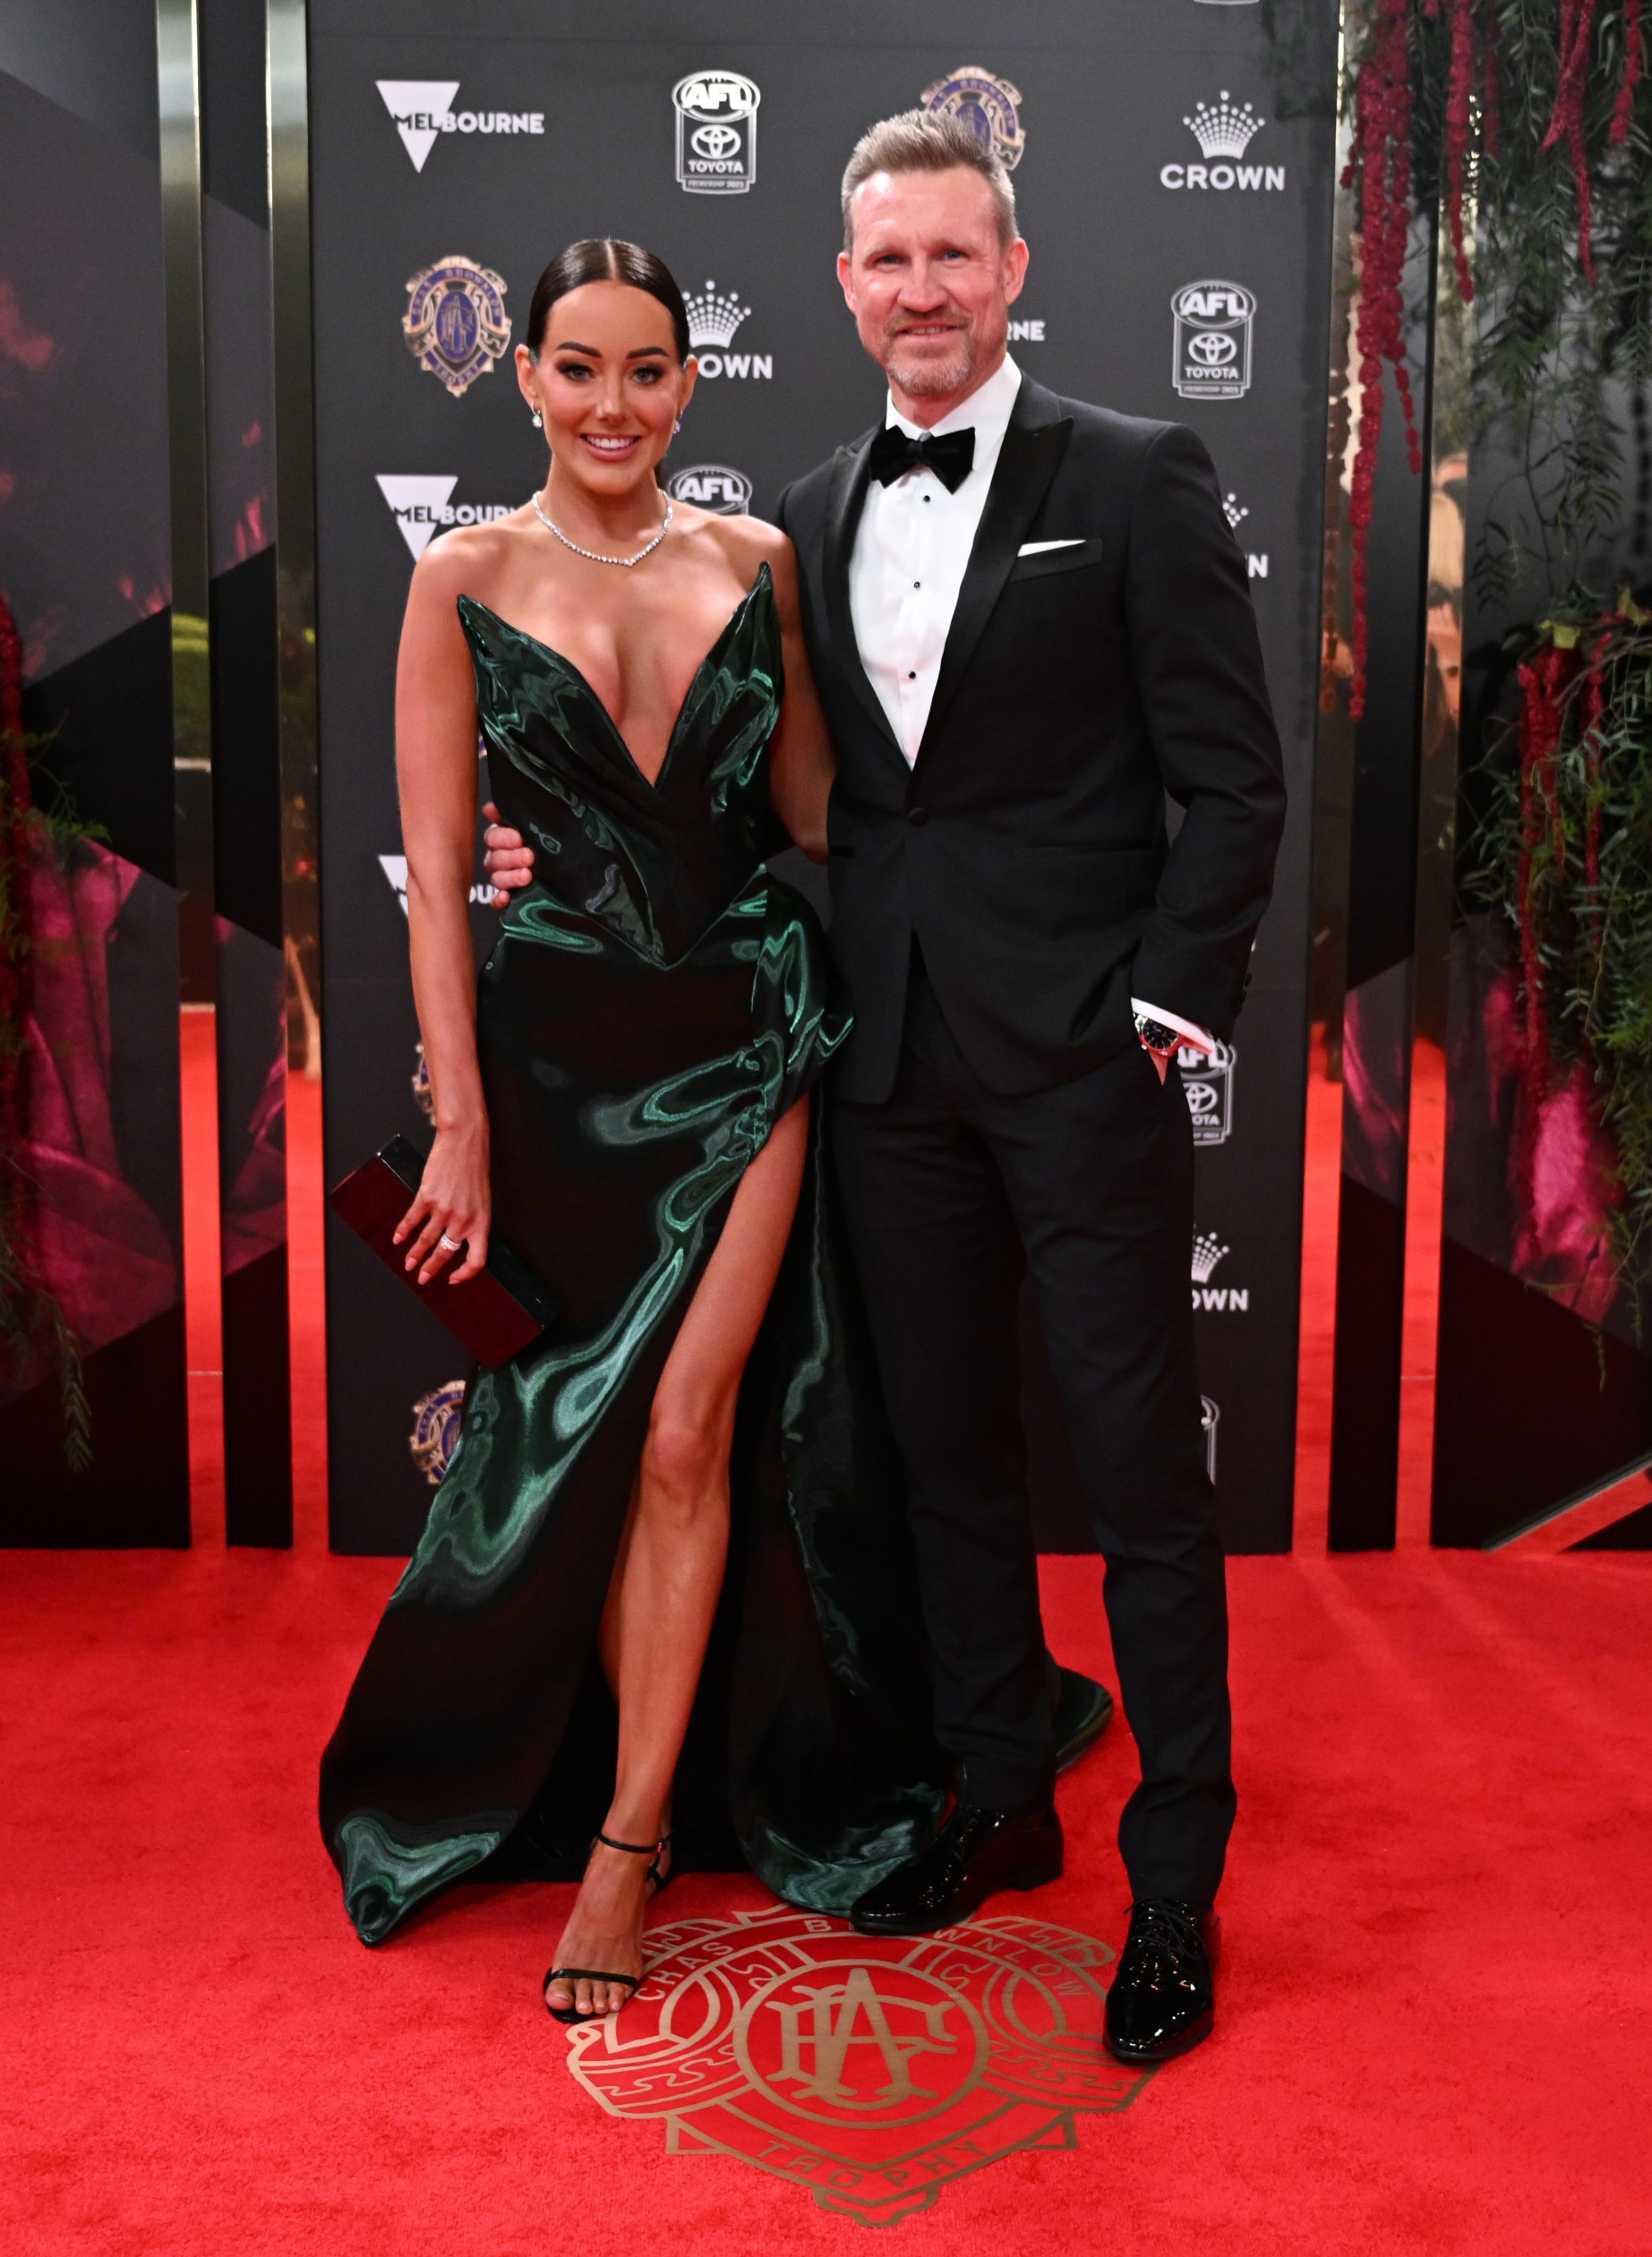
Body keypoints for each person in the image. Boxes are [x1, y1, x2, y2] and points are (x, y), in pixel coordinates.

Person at [486, 116, 1286, 2065]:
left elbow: (1232, 779)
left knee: (1141, 1484)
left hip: (1086, 1065)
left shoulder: (1138, 472)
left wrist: (1166, 1015)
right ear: (840, 289)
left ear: (1010, 270)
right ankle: (998, 1790)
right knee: (942, 1458)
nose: (919, 289)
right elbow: (776, 789)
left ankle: (1172, 1876)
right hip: (888, 1061)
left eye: (952, 254)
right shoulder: (812, 505)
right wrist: (552, 856)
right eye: (884, 261)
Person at [314, 239, 954, 2024]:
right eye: (576, 366)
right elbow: (437, 881)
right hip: (553, 1071)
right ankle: (579, 1762)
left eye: (645, 370)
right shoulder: (458, 577)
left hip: (748, 1038)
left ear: (690, 385)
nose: (611, 403)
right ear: (519, 375)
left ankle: (631, 1835)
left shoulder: (759, 562)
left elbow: (826, 808)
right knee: (584, 1441)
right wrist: (453, 1122)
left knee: (684, 1436)